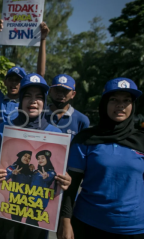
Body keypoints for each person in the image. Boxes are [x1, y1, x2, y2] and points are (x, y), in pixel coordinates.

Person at [0, 19, 50, 239]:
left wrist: (42, 40)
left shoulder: (28, 104)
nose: (14, 83)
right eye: (10, 79)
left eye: (18, 80)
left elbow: (40, 76)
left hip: (17, 169)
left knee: (3, 220)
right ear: (5, 82)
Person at [0, 73, 71, 239]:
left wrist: (66, 179)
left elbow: (62, 172)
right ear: (21, 100)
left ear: (44, 101)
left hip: (37, 213)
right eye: (28, 96)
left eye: (39, 97)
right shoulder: (4, 129)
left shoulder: (56, 135)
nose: (33, 101)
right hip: (8, 212)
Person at [58, 78, 144, 239]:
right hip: (88, 224)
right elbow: (71, 185)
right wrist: (65, 221)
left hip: (134, 228)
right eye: (114, 100)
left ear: (133, 106)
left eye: (127, 100)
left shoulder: (141, 141)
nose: (120, 105)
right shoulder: (86, 139)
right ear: (104, 103)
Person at [26, 150, 56, 227]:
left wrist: (46, 176)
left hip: (40, 203)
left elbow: (50, 177)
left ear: (47, 159)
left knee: (31, 222)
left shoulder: (51, 172)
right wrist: (29, 169)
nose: (40, 160)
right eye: (38, 158)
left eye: (43, 158)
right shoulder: (36, 171)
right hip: (31, 200)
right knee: (29, 222)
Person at [4, 150, 34, 222]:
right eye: (25, 156)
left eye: (29, 158)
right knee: (15, 222)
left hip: (27, 200)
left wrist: (33, 171)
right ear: (21, 156)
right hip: (15, 200)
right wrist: (12, 173)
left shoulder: (30, 169)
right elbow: (3, 179)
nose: (27, 158)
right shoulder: (12, 167)